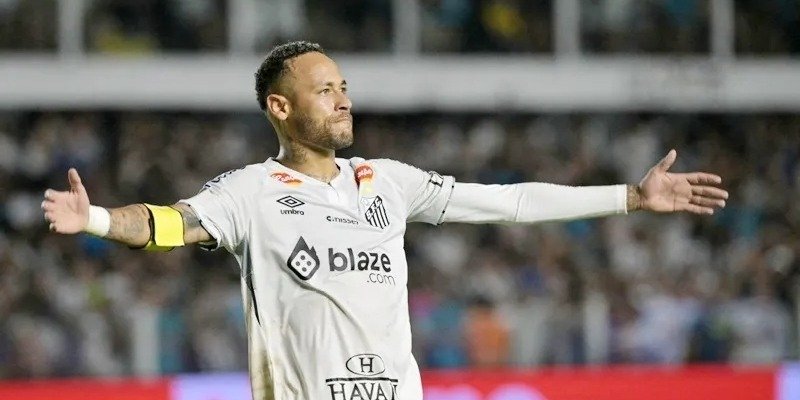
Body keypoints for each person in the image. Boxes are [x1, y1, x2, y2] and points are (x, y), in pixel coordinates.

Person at [41, 41, 728, 400]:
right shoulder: (250, 192)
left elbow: (511, 202)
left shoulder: (388, 181)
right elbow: (169, 225)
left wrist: (630, 197)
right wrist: (95, 218)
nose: (343, 100)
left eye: (344, 87)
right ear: (280, 107)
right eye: (324, 90)